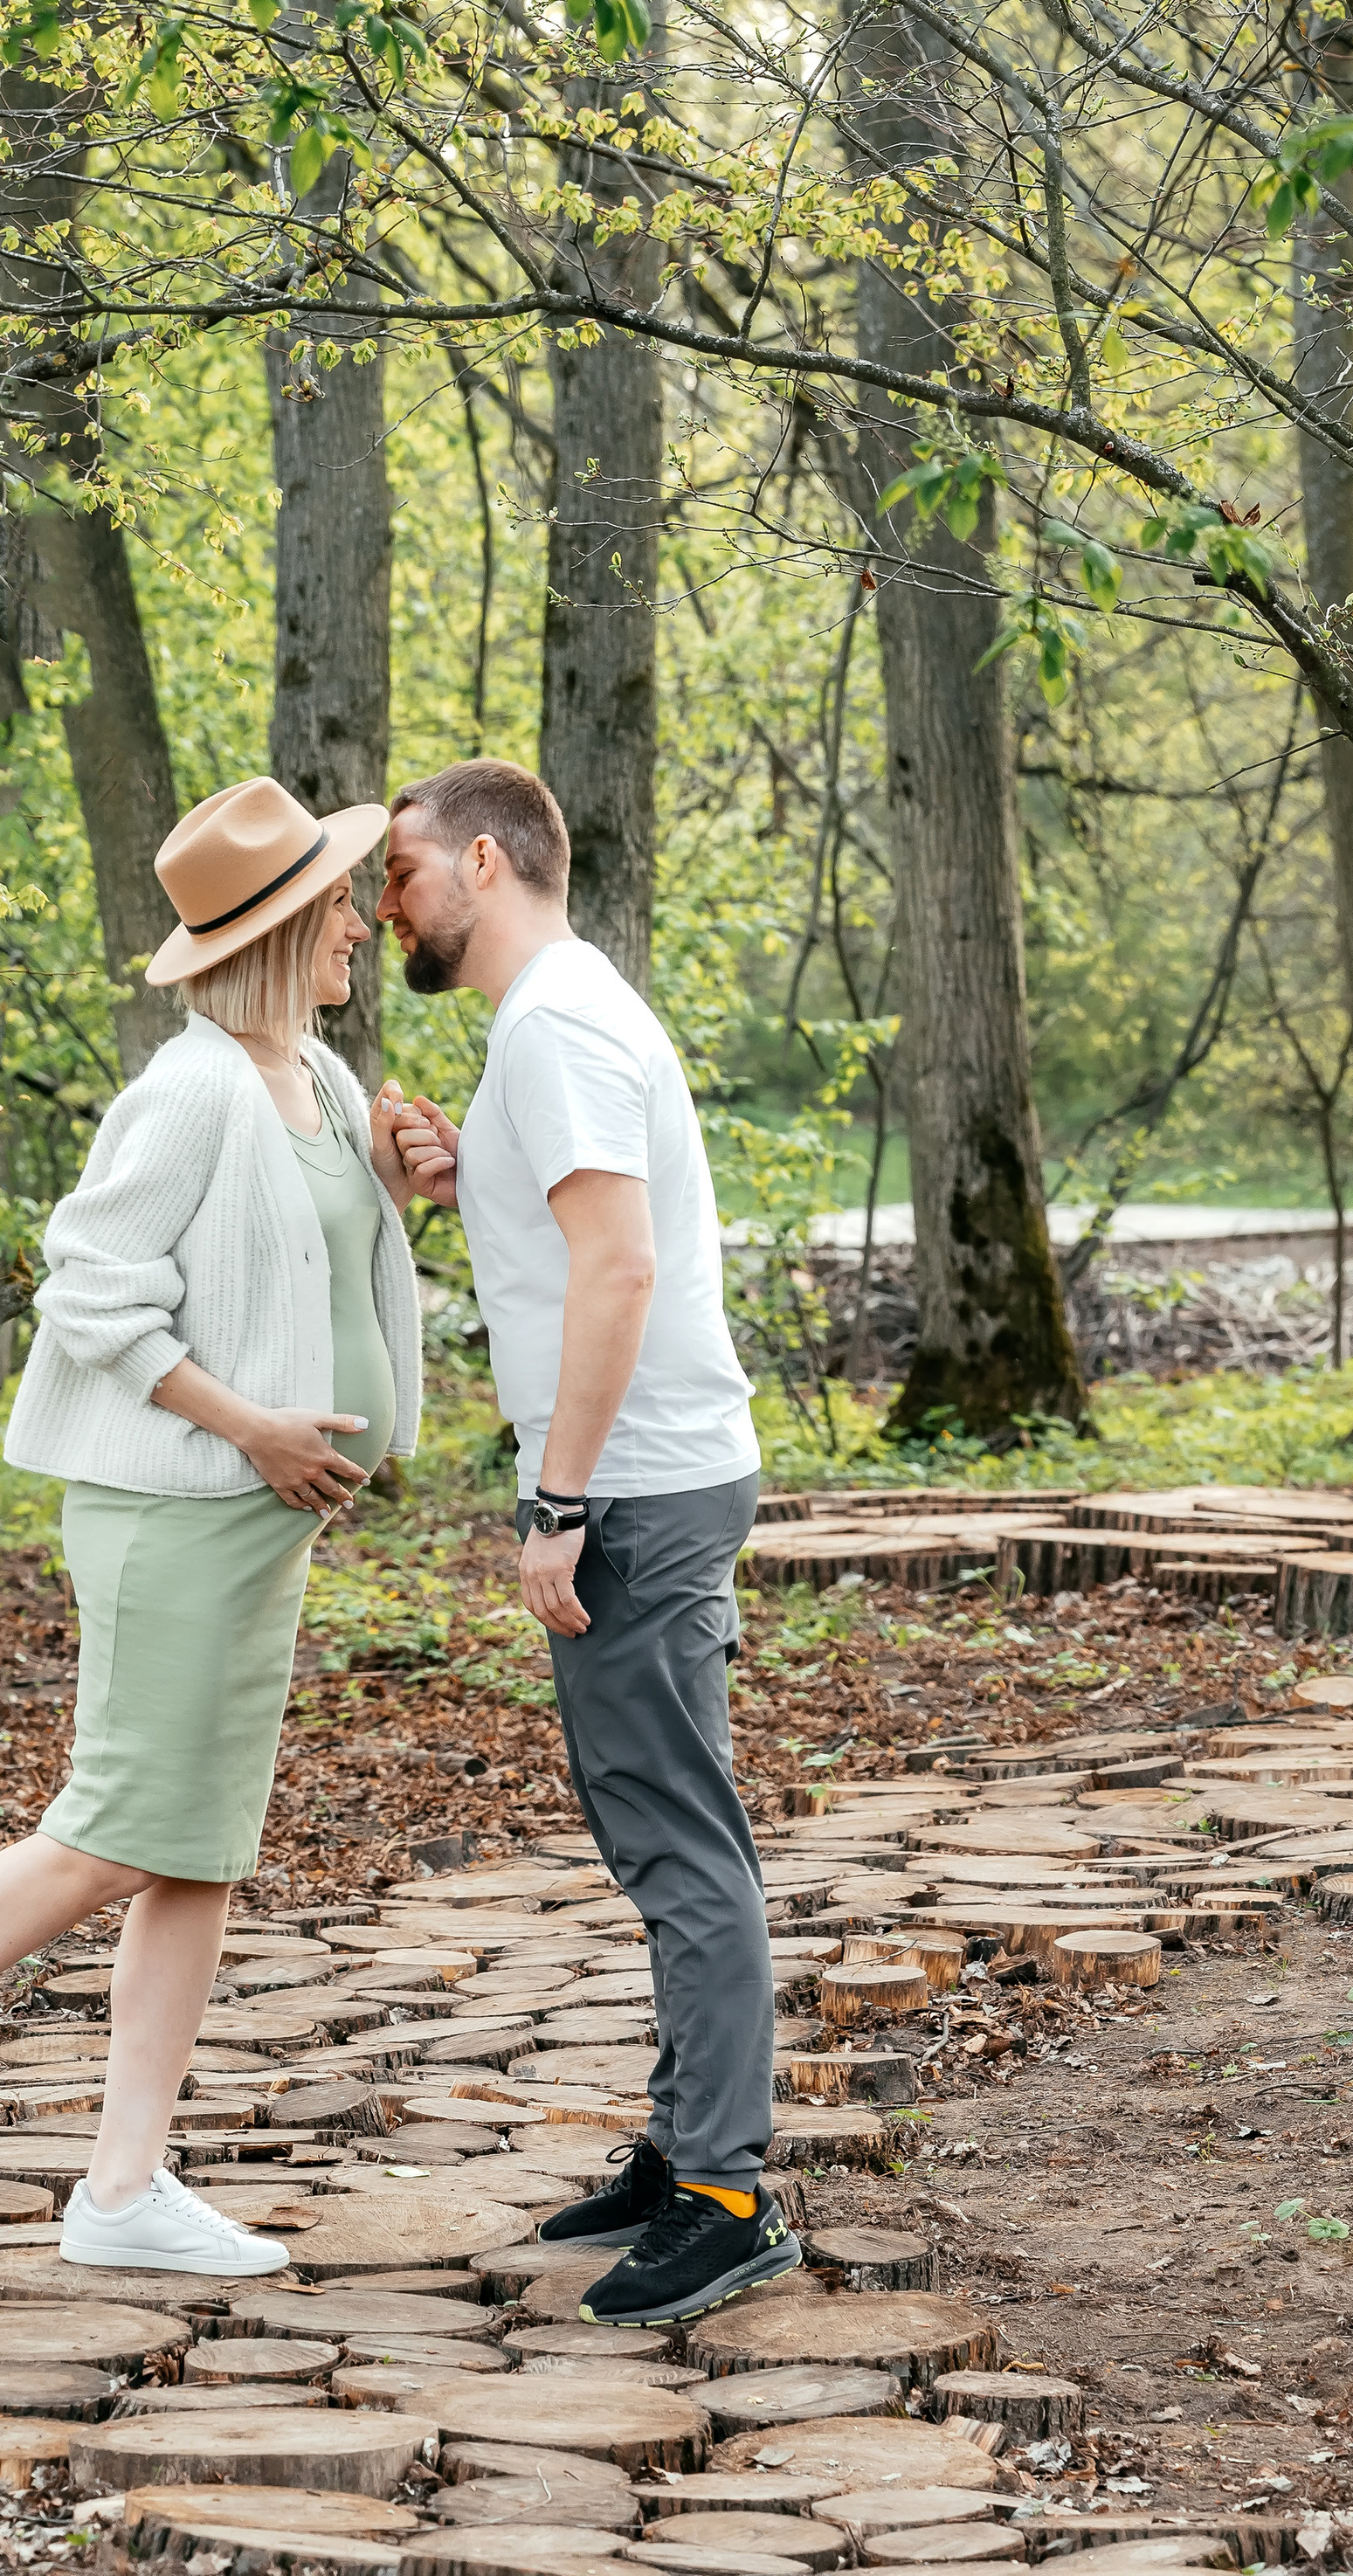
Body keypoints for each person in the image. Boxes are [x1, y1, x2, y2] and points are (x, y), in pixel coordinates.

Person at [0, 776, 421, 2273]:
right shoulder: (183, 1092)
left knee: (196, 1850)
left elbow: (293, 1268)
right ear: (279, 929)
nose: (361, 932)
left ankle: (123, 2192)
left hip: (259, 1529)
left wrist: (391, 1186)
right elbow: (90, 1289)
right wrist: (250, 1427)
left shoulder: (315, 1081)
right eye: (335, 912)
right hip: (178, 1508)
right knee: (120, 1829)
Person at [380, 757, 796, 2328]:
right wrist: (452, 1167)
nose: (389, 906)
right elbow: (575, 1235)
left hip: (634, 1486)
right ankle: (688, 2147)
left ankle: (726, 2195)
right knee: (666, 1821)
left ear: (485, 863)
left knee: (679, 1838)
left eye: (404, 874)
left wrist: (556, 1502)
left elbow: (616, 1274)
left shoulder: (552, 1024)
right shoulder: (560, 1012)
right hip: (652, 1475)